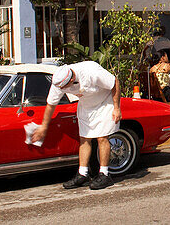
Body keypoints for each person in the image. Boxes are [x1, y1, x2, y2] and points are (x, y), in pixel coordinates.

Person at [32, 60, 121, 190]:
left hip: (104, 103)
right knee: (84, 139)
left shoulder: (91, 72)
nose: (62, 90)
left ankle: (104, 174)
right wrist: (44, 127)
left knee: (102, 138)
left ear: (72, 78)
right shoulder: (59, 81)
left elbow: (115, 83)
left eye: (65, 87)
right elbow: (51, 105)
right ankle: (83, 174)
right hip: (86, 105)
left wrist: (116, 108)